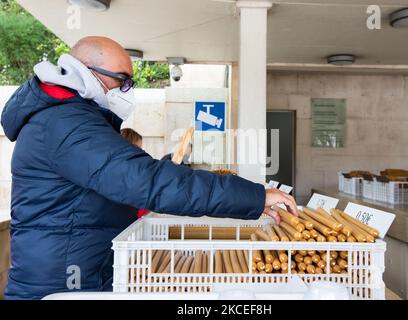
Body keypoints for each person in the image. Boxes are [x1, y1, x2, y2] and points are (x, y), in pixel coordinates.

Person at [0, 36, 298, 299]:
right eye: (123, 80)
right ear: (88, 73)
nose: (128, 90)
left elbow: (127, 177)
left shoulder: (67, 118)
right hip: (62, 285)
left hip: (78, 274)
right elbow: (146, 182)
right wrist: (255, 196)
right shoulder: (65, 124)